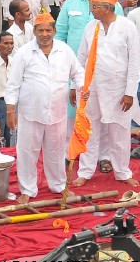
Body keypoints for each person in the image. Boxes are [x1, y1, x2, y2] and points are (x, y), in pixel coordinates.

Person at [5, 13, 82, 201]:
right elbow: (12, 85)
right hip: (30, 113)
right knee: (27, 152)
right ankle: (27, 190)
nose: (45, 34)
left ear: (54, 31)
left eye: (48, 30)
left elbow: (78, 73)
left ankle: (58, 186)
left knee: (56, 151)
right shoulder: (24, 53)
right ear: (35, 32)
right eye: (41, 30)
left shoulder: (64, 51)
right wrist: (10, 110)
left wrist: (82, 87)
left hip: (57, 113)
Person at [73, 0, 140, 188]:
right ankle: (85, 171)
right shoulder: (90, 27)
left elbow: (134, 62)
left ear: (106, 9)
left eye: (94, 6)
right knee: (90, 130)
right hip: (91, 87)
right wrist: (75, 85)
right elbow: (81, 58)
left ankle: (122, 172)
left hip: (118, 89)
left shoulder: (127, 27)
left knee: (119, 131)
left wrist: (129, 93)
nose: (91, 9)